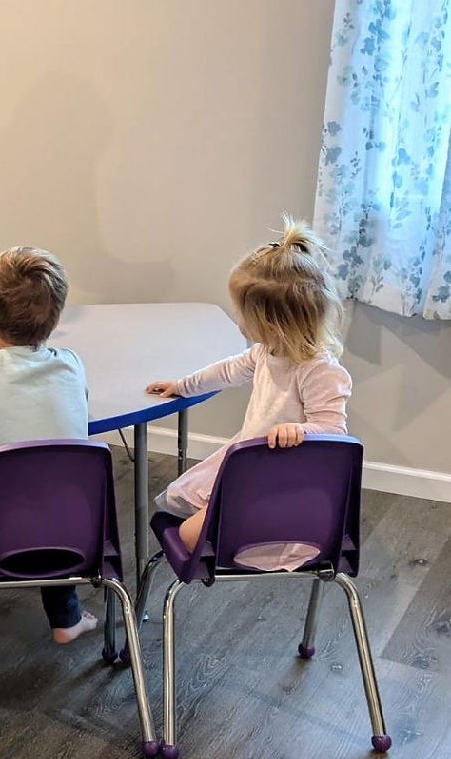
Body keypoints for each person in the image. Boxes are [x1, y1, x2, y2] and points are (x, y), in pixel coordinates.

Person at [146, 218, 352, 570]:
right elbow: (225, 371)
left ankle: (254, 533)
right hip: (250, 466)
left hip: (285, 478)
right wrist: (182, 385)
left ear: (272, 323)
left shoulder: (319, 370)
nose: (238, 320)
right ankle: (232, 518)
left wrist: (300, 431)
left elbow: (334, 430)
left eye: (241, 313)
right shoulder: (266, 351)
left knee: (194, 538)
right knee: (182, 519)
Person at [0, 247, 97, 646]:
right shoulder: (72, 364)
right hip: (75, 529)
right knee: (53, 492)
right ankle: (66, 618)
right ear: (57, 317)